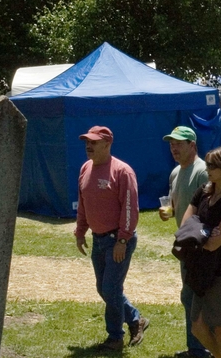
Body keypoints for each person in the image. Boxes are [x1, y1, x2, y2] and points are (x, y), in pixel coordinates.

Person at [159, 126, 221, 357]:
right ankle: (213, 345)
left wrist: (197, 233)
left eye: (179, 143)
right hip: (191, 248)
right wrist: (172, 212)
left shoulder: (202, 175)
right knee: (196, 307)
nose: (173, 147)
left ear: (192, 145)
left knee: (207, 311)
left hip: (216, 260)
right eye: (171, 143)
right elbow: (188, 213)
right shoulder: (176, 173)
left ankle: (209, 346)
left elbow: (212, 231)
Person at [74, 126, 148, 352]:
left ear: (107, 144)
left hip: (118, 239)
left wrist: (123, 241)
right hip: (98, 239)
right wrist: (80, 231)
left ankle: (115, 337)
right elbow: (83, 202)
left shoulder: (122, 171)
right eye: (87, 142)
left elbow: (130, 209)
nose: (89, 146)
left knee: (110, 289)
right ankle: (135, 320)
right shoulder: (86, 168)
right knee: (104, 288)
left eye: (94, 142)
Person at [182, 146, 221, 358]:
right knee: (198, 327)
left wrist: (200, 230)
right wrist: (206, 231)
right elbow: (185, 226)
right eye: (207, 163)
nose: (208, 168)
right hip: (201, 268)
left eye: (213, 165)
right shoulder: (203, 191)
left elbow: (213, 244)